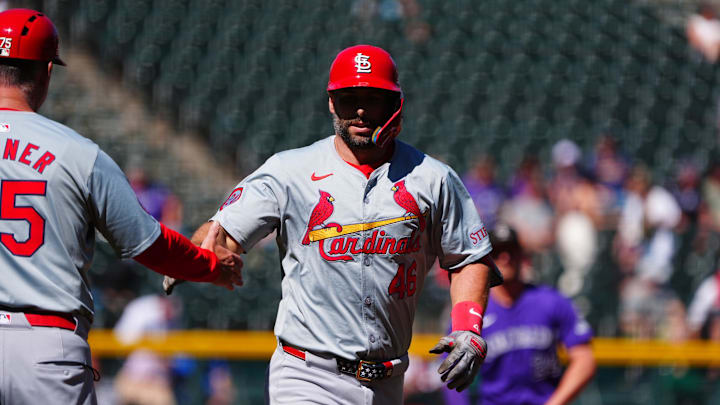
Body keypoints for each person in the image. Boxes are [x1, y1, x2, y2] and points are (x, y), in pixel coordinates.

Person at [165, 44, 502, 405]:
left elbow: (468, 256)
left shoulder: (432, 178)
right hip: (307, 375)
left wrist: (468, 327)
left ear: (395, 104)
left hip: (388, 381)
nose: (359, 109)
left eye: (371, 98)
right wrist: (195, 257)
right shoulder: (289, 171)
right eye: (347, 98)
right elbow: (222, 234)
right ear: (330, 103)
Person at [0, 8, 243, 404]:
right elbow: (148, 244)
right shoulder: (77, 152)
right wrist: (211, 266)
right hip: (46, 348)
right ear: (46, 72)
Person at [443, 224, 596, 405]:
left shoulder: (550, 301)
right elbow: (451, 373)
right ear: (487, 259)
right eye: (498, 252)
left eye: (511, 251)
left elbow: (584, 359)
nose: (505, 258)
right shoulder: (472, 311)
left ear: (522, 256)